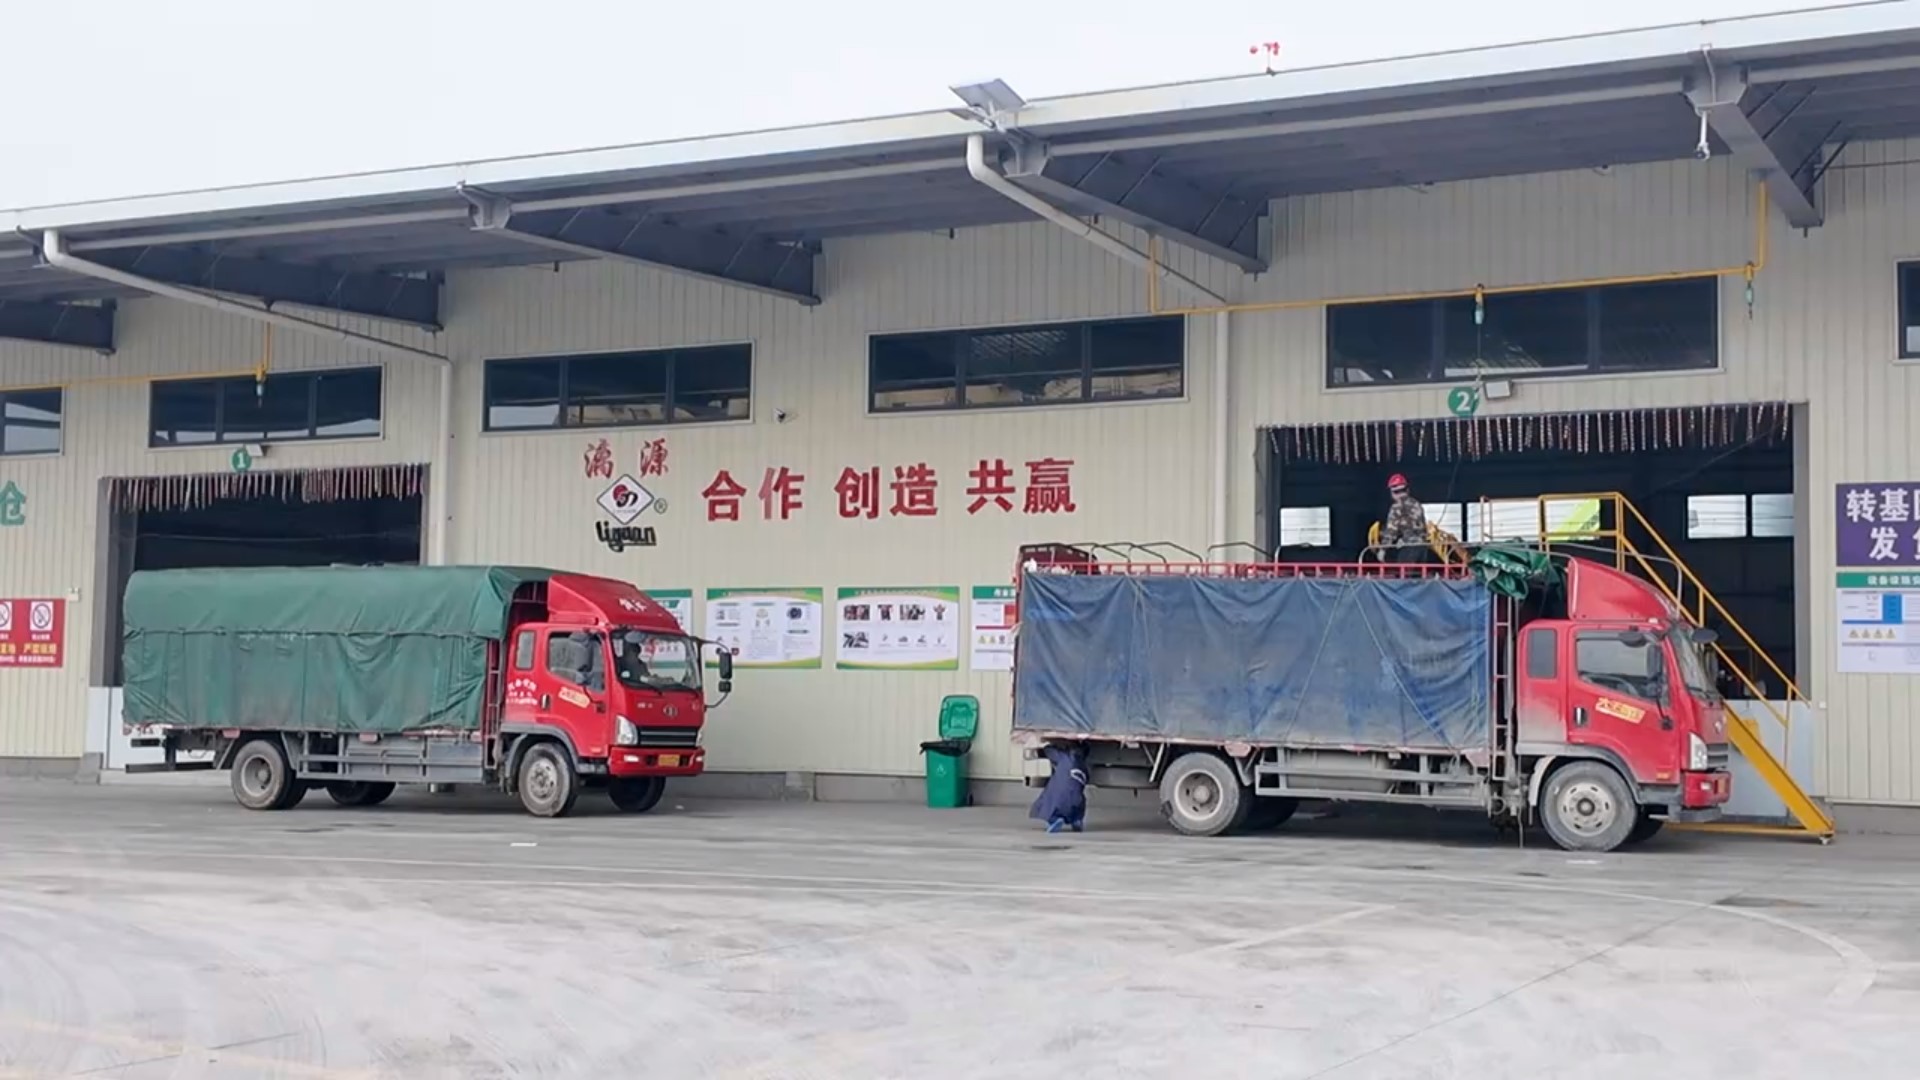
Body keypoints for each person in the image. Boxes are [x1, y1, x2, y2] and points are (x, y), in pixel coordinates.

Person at [1029, 744, 1089, 833]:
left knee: (1049, 799)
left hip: (1060, 799)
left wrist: (1042, 749)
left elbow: (1048, 750)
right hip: (1077, 800)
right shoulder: (1083, 766)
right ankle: (1076, 820)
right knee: (1077, 798)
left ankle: (1054, 819)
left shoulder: (1063, 757)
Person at [1378, 473, 1429, 564]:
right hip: (1422, 547)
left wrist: (1383, 549)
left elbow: (1391, 531)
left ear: (1393, 492)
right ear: (1407, 490)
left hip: (1408, 548)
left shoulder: (1396, 507)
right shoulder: (1417, 504)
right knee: (1419, 572)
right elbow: (1422, 528)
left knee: (1405, 572)